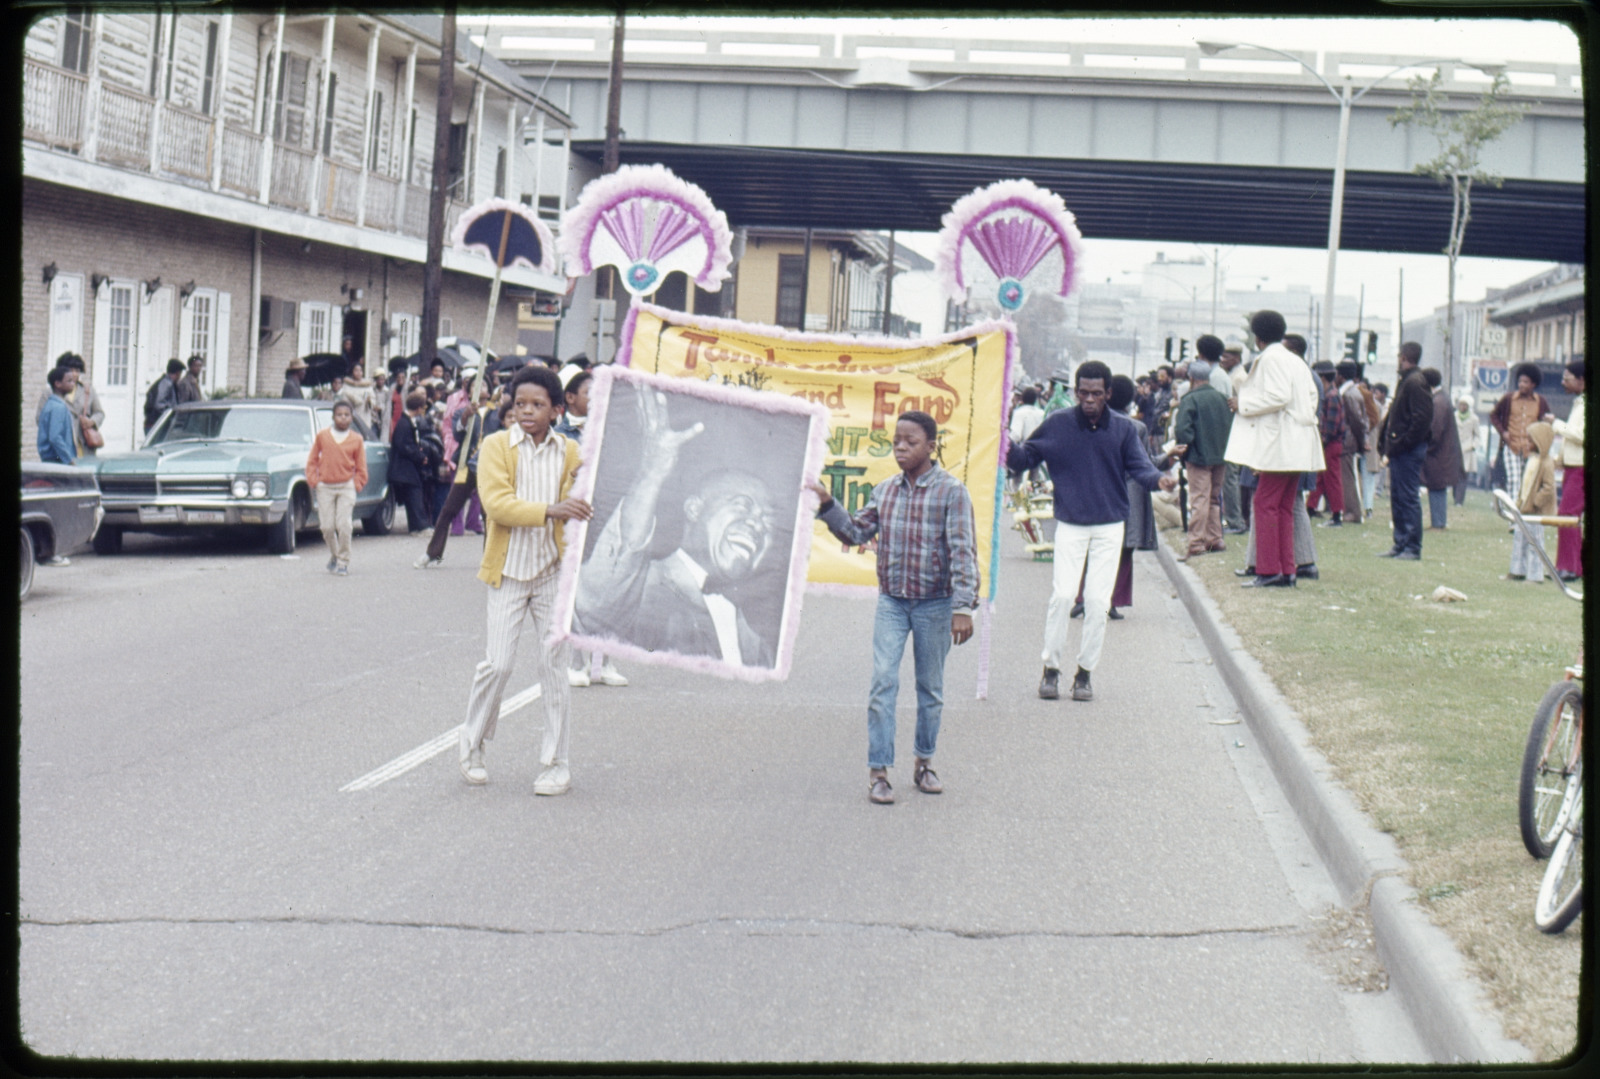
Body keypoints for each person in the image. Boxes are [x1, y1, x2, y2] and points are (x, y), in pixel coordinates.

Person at [811, 411, 977, 805]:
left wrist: (963, 607)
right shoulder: (884, 491)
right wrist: (827, 502)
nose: (900, 448)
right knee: (883, 682)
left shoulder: (952, 492)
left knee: (930, 688)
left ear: (931, 447)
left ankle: (923, 762)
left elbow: (962, 552)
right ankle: (879, 772)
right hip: (892, 602)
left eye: (911, 442)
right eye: (896, 441)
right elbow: (855, 531)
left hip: (935, 603)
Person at [1007, 360, 1177, 702]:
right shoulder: (1057, 425)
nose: (1088, 399)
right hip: (1070, 524)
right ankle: (1050, 670)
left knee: (1098, 602)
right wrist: (1002, 441)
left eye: (1096, 393)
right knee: (1064, 596)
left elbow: (1140, 467)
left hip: (1110, 526)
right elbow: (1024, 459)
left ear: (1108, 394)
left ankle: (1084, 674)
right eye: (1082, 392)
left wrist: (1159, 479)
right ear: (1074, 391)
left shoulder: (1124, 429)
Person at [576, 389, 783, 669]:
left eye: (766, 521)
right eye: (742, 506)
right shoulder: (640, 583)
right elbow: (597, 605)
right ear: (694, 509)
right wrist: (652, 473)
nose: (756, 526)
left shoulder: (750, 635)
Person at [458, 364, 591, 794]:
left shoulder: (569, 450)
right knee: (498, 663)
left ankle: (556, 763)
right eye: (520, 405)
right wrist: (552, 510)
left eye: (537, 405)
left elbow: (588, 493)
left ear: (556, 409)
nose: (527, 412)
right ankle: (473, 744)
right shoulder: (497, 446)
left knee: (554, 668)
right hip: (509, 573)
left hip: (552, 573)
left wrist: (586, 484)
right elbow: (496, 505)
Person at [1222, 311, 1323, 588]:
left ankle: (1269, 571)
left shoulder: (1269, 359)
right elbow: (1311, 397)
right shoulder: (1295, 360)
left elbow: (1278, 396)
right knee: (1283, 507)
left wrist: (1242, 404)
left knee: (1265, 504)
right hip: (1297, 440)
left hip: (1279, 444)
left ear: (1257, 337)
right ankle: (1286, 571)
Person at [555, 370, 629, 690]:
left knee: (608, 589)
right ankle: (575, 661)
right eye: (589, 393)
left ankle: (605, 661)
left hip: (605, 519)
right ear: (570, 398)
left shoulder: (613, 433)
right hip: (571, 522)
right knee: (573, 594)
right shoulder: (559, 435)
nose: (597, 400)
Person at [1375, 343, 1433, 560]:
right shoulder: (1407, 381)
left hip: (1408, 450)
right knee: (1398, 496)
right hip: (1401, 450)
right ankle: (1401, 543)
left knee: (1407, 497)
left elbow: (1422, 419)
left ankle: (1411, 546)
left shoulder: (1415, 383)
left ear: (1405, 357)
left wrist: (1402, 442)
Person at [1172, 357, 1232, 559]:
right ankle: (1215, 538)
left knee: (1199, 498)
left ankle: (1196, 541)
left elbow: (1182, 430)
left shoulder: (1190, 399)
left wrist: (1186, 446)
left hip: (1198, 455)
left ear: (1191, 378)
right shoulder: (1223, 398)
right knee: (1214, 498)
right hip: (1220, 455)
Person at [305, 400, 368, 576]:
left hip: (346, 486)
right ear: (333, 417)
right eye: (339, 415)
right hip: (325, 486)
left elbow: (361, 467)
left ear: (352, 417)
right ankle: (334, 554)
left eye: (347, 415)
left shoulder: (356, 439)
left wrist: (357, 484)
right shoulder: (323, 436)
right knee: (327, 527)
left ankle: (343, 561)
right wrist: (314, 480)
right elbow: (312, 460)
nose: (343, 418)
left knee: (344, 525)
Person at [1488, 362, 1552, 505]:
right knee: (1513, 480)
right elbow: (1493, 415)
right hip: (1512, 446)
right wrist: (1503, 432)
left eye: (1526, 382)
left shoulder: (1541, 402)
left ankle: (1524, 511)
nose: (1521, 385)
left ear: (1533, 384)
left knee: (1528, 481)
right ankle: (1513, 517)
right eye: (1520, 381)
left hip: (1531, 449)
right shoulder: (1509, 398)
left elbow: (1547, 422)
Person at [1547, 360, 1584, 581]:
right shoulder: (1579, 403)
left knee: (1568, 516)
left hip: (1581, 468)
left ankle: (1569, 567)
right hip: (1572, 466)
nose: (1562, 383)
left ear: (1582, 380)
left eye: (1567, 379)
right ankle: (1571, 566)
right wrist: (1559, 459)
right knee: (1569, 517)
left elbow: (1580, 436)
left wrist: (1557, 424)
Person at [1508, 422, 1556, 584]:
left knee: (1535, 543)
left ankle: (1535, 576)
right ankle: (1517, 571)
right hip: (1524, 510)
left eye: (1531, 440)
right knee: (1519, 540)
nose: (1527, 444)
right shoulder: (1531, 460)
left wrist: (1536, 502)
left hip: (1535, 512)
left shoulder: (1546, 462)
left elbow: (1548, 487)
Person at [37, 352, 105, 459]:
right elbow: (40, 419)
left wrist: (91, 421)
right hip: (61, 448)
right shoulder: (50, 394)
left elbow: (99, 413)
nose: (74, 374)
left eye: (77, 371)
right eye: (70, 370)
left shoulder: (87, 390)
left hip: (84, 445)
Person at [1420, 368, 1463, 530]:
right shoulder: (1442, 398)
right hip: (1442, 452)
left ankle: (1438, 523)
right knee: (1437, 487)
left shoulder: (1438, 402)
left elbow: (1435, 429)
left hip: (1438, 454)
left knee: (1436, 486)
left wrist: (1426, 446)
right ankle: (1438, 521)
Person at [1305, 361, 1347, 526]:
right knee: (1321, 479)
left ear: (1323, 377)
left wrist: (1321, 442)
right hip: (1330, 443)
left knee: (1332, 479)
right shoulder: (1333, 394)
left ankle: (1337, 515)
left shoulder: (1331, 396)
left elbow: (1330, 424)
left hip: (1330, 444)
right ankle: (1310, 509)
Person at [389, 391, 432, 533]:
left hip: (405, 465)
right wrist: (419, 456)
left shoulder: (405, 421)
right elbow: (404, 446)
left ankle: (415, 527)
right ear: (418, 408)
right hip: (404, 466)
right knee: (415, 494)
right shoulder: (404, 423)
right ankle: (421, 526)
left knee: (412, 495)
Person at [1335, 361, 1369, 524]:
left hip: (1347, 440)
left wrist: (1361, 442)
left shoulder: (1349, 394)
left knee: (1346, 477)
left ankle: (1352, 511)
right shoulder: (1353, 392)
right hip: (1349, 440)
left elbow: (1357, 421)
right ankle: (1350, 510)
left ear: (1340, 375)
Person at [37, 364, 79, 466]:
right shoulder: (58, 407)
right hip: (56, 460)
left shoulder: (52, 403)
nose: (73, 384)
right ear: (58, 384)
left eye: (73, 381)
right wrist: (69, 460)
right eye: (69, 381)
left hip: (52, 459)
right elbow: (55, 437)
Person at [338, 361, 380, 434]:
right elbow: (344, 402)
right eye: (356, 370)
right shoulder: (347, 386)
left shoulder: (367, 386)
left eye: (360, 370)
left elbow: (373, 401)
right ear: (352, 372)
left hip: (365, 417)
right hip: (352, 418)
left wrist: (369, 401)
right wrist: (354, 399)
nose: (358, 373)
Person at [1453, 394, 1479, 506]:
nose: (1462, 407)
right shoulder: (1454, 416)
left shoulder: (1474, 419)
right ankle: (1455, 496)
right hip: (1455, 449)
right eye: (1461, 404)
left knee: (1463, 477)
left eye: (1465, 405)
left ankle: (1459, 500)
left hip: (1467, 451)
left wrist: (1473, 445)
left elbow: (1477, 435)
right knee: (1454, 475)